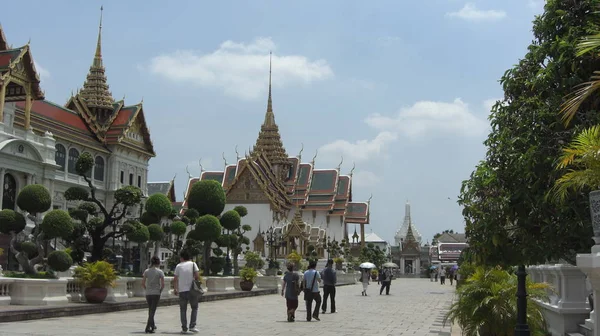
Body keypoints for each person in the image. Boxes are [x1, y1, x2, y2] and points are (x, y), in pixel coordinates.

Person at [173, 251, 200, 334]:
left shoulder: (178, 266)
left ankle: (184, 328)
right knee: (194, 308)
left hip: (182, 290)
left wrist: (175, 289)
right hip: (192, 290)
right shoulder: (193, 264)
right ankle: (192, 326)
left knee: (183, 309)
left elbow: (175, 279)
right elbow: (197, 276)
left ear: (182, 258)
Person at [142, 256, 165, 334]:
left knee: (150, 310)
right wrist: (160, 291)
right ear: (158, 263)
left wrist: (147, 289)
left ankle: (153, 325)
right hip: (156, 293)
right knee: (152, 311)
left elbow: (143, 283)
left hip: (148, 293)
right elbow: (163, 284)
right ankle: (148, 327)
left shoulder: (146, 271)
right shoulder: (160, 272)